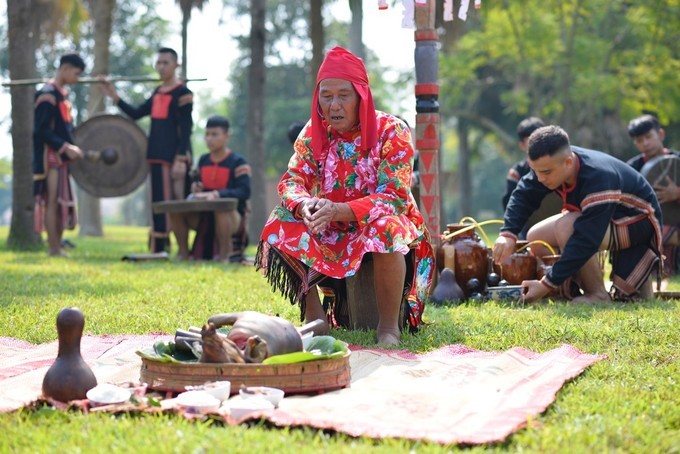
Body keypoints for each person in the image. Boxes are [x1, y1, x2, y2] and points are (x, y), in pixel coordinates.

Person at [255, 46, 434, 346]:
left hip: (381, 225)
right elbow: (292, 181)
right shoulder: (314, 133)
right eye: (326, 96)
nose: (334, 105)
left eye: (343, 95)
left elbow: (395, 197)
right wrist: (304, 205)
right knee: (280, 222)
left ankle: (388, 328)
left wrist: (340, 210)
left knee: (386, 229)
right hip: (332, 226)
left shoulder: (392, 131)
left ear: (361, 95)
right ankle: (316, 320)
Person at [494, 125, 662, 303]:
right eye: (535, 172)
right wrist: (508, 234)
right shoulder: (552, 164)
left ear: (568, 162)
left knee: (568, 227)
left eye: (545, 173)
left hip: (639, 221)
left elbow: (586, 239)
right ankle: (571, 290)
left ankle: (597, 294)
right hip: (605, 221)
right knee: (536, 237)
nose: (540, 178)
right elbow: (523, 194)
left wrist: (546, 284)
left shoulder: (598, 176)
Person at [101, 47, 193, 253]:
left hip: (174, 158)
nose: (161, 67)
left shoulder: (183, 93)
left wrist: (180, 159)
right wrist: (113, 95)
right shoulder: (157, 93)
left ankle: (184, 250)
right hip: (156, 156)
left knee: (177, 203)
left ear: (176, 65)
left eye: (165, 63)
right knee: (158, 203)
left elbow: (186, 129)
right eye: (158, 63)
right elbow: (135, 113)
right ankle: (159, 246)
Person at [169, 116, 251, 262]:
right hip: (203, 217)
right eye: (207, 134)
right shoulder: (203, 160)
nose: (209, 139)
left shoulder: (238, 162)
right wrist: (196, 189)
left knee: (222, 209)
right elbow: (199, 187)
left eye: (214, 134)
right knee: (175, 210)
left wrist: (217, 194)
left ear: (227, 136)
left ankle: (224, 256)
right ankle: (184, 255)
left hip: (231, 218)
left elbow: (244, 191)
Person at [33, 53, 86, 256]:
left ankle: (57, 245)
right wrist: (65, 147)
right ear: (64, 69)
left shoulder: (61, 95)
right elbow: (41, 130)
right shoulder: (47, 94)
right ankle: (53, 248)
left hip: (61, 157)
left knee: (61, 201)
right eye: (76, 73)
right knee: (52, 201)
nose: (77, 78)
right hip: (51, 156)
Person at [626, 114, 680, 279]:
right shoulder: (631, 169)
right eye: (639, 140)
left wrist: (677, 193)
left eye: (648, 137)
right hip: (647, 228)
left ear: (661, 134)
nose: (645, 143)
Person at [501, 117, 545, 238]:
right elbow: (510, 204)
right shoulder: (517, 172)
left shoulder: (558, 167)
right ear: (522, 145)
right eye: (531, 141)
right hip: (527, 227)